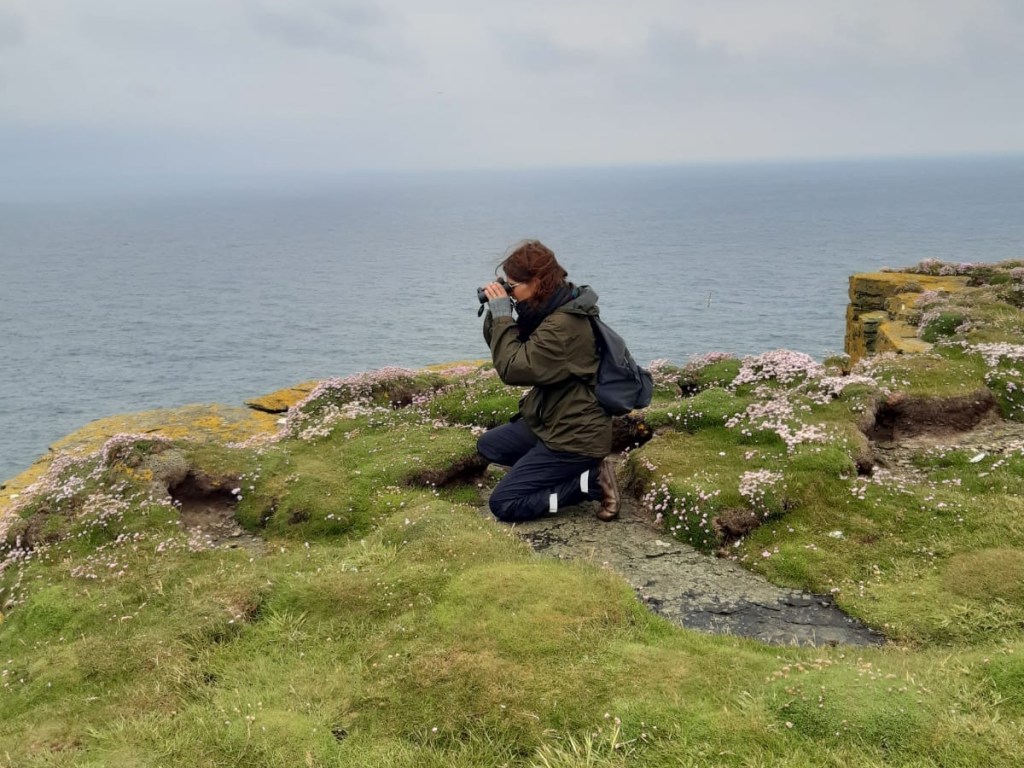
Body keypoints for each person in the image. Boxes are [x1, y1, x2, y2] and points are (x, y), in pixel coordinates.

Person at [477, 239, 619, 523]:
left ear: (538, 281)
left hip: (574, 436)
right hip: (552, 419)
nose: (510, 292)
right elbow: (510, 346)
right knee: (490, 446)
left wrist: (504, 315)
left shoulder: (563, 326)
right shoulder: (553, 305)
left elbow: (512, 368)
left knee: (505, 504)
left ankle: (589, 481)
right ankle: (557, 470)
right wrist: (497, 313)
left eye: (513, 285)